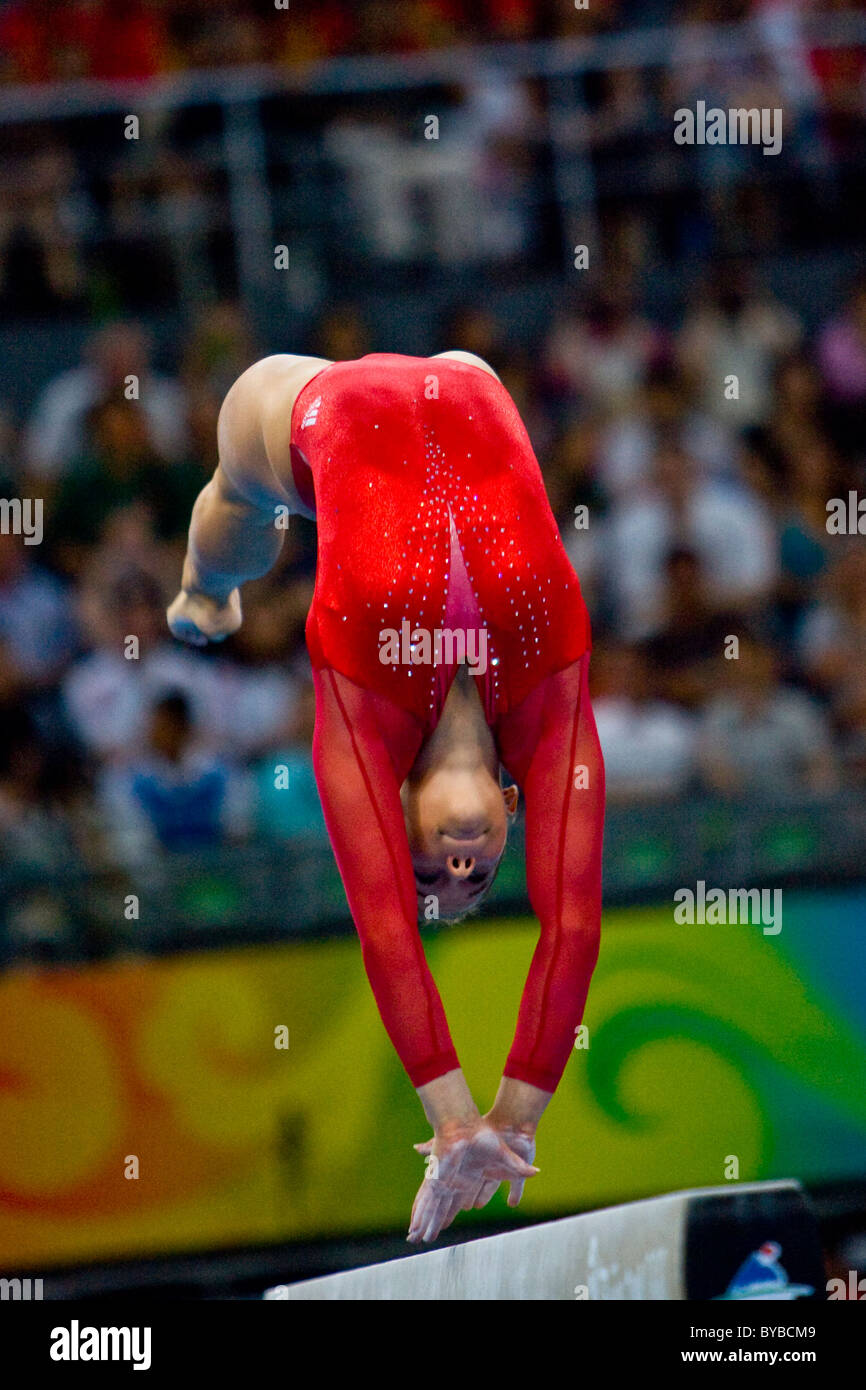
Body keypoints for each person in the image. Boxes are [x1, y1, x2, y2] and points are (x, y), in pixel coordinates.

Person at [168, 349, 605, 1243]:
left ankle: (201, 593)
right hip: (469, 379)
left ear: (395, 808)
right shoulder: (551, 705)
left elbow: (385, 930)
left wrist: (453, 1120)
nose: (451, 871)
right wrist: (511, 1121)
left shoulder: (360, 724)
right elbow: (573, 927)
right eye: (476, 880)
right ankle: (208, 589)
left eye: (429, 876)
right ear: (511, 811)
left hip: (310, 405)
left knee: (240, 511)